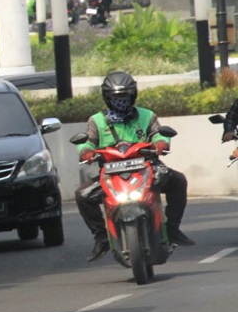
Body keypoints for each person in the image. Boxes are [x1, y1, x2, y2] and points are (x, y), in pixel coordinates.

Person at [76, 71, 194, 262]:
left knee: (178, 180)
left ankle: (173, 229)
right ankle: (101, 238)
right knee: (82, 195)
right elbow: (87, 142)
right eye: (116, 98)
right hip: (111, 172)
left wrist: (161, 143)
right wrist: (86, 151)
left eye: (125, 97)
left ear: (133, 95)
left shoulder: (147, 116)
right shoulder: (96, 121)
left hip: (147, 167)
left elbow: (159, 134)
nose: (120, 101)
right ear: (107, 98)